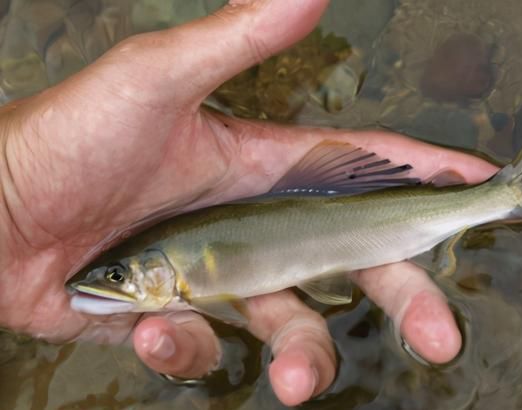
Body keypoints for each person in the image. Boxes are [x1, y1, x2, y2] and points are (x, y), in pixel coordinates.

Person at [0, 0, 497, 406]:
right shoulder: (177, 264)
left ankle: (505, 198)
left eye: (119, 275)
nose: (114, 283)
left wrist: (13, 197)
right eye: (117, 276)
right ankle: (505, 198)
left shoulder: (187, 273)